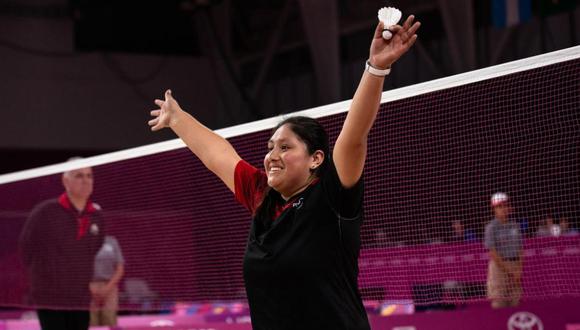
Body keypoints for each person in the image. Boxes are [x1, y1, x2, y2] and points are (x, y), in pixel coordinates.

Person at [148, 15, 420, 330]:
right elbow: (218, 155)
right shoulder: (263, 197)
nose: (272, 156)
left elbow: (354, 137)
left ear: (316, 159)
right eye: (270, 147)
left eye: (285, 148)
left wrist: (376, 68)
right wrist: (177, 119)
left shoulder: (332, 196)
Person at [19, 161, 105, 330]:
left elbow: (93, 249)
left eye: (89, 175)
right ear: (66, 181)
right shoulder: (44, 211)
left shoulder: (97, 216)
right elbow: (25, 248)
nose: (86, 180)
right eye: (79, 175)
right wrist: (45, 278)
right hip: (50, 297)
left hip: (80, 297)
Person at [484, 192, 523, 308]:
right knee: (499, 302)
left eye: (505, 205)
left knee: (515, 300)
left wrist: (519, 270)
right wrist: (510, 272)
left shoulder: (515, 225)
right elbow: (493, 254)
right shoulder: (491, 228)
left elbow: (520, 249)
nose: (504, 209)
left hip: (515, 266)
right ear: (494, 209)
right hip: (499, 268)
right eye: (500, 206)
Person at [90, 235, 125, 327]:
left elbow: (120, 269)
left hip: (110, 286)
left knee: (109, 320)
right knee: (91, 322)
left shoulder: (112, 241)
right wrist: (90, 288)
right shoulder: (81, 241)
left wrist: (107, 289)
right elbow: (76, 268)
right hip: (88, 288)